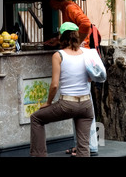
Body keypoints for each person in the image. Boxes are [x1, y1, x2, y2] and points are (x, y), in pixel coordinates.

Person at [30, 22, 94, 157]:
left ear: (62, 37)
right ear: (76, 36)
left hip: (67, 104)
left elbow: (54, 85)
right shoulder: (86, 54)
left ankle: (39, 155)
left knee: (36, 118)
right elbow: (90, 79)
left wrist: (48, 102)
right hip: (86, 105)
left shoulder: (58, 55)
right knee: (83, 147)